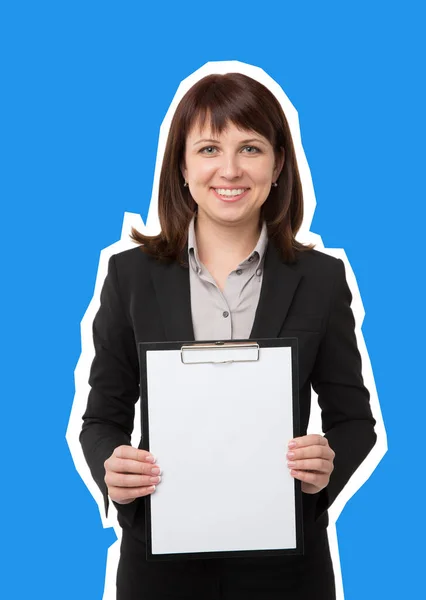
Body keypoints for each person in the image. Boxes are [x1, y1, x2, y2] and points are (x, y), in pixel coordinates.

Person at [80, 72, 377, 600]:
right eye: (210, 148)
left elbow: (354, 421)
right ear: (183, 165)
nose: (231, 169)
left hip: (287, 572)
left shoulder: (322, 280)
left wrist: (323, 471)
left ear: (279, 163)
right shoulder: (130, 276)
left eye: (251, 148)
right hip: (158, 568)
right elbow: (102, 418)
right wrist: (112, 469)